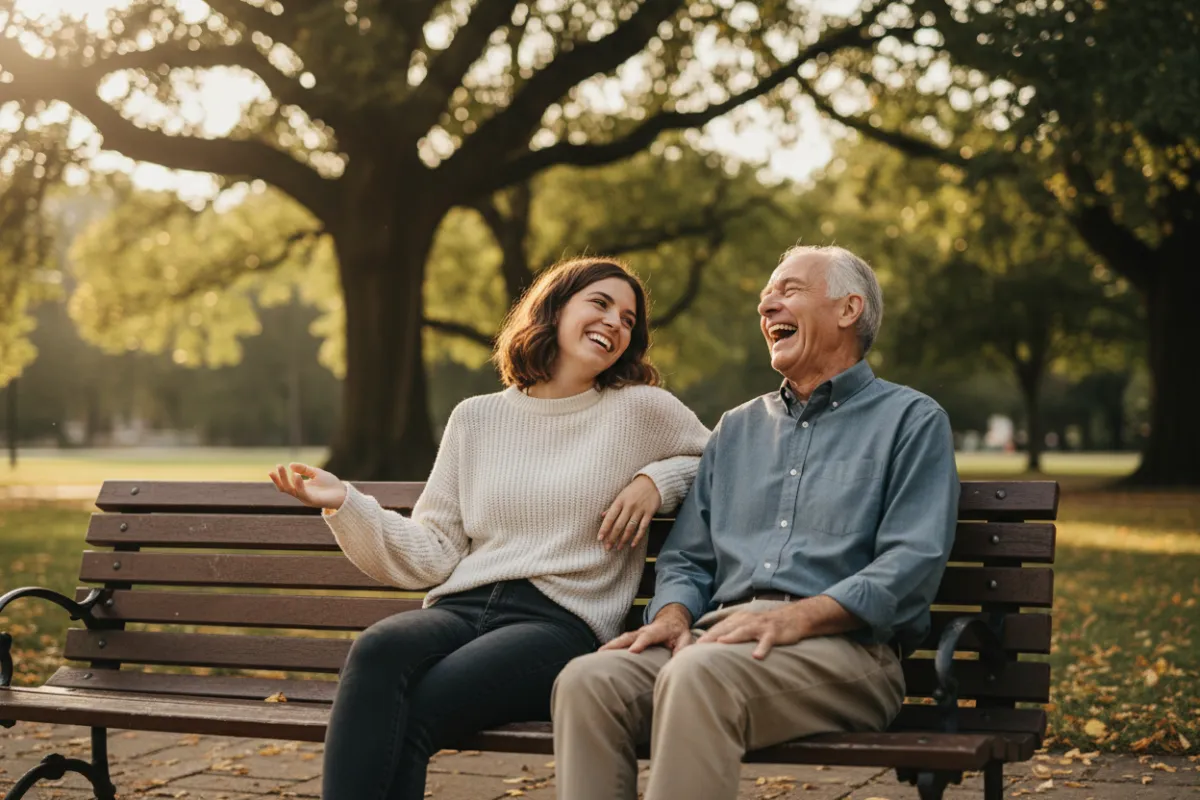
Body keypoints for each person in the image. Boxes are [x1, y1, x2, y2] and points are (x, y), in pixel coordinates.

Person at [269, 257, 710, 800]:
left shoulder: (642, 411)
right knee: (378, 648)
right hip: (462, 606)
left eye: (628, 318)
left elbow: (720, 461)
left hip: (559, 623)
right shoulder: (475, 418)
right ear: (553, 308)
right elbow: (432, 551)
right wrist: (346, 503)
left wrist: (654, 481)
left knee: (420, 708)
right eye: (600, 303)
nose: (616, 322)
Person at [552, 245, 960, 800]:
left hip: (847, 652)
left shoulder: (911, 421)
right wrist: (673, 615)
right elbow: (688, 558)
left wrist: (798, 619)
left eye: (788, 290)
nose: (767, 305)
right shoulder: (736, 429)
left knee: (698, 676)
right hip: (718, 638)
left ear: (848, 309)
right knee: (587, 682)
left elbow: (911, 563)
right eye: (766, 295)